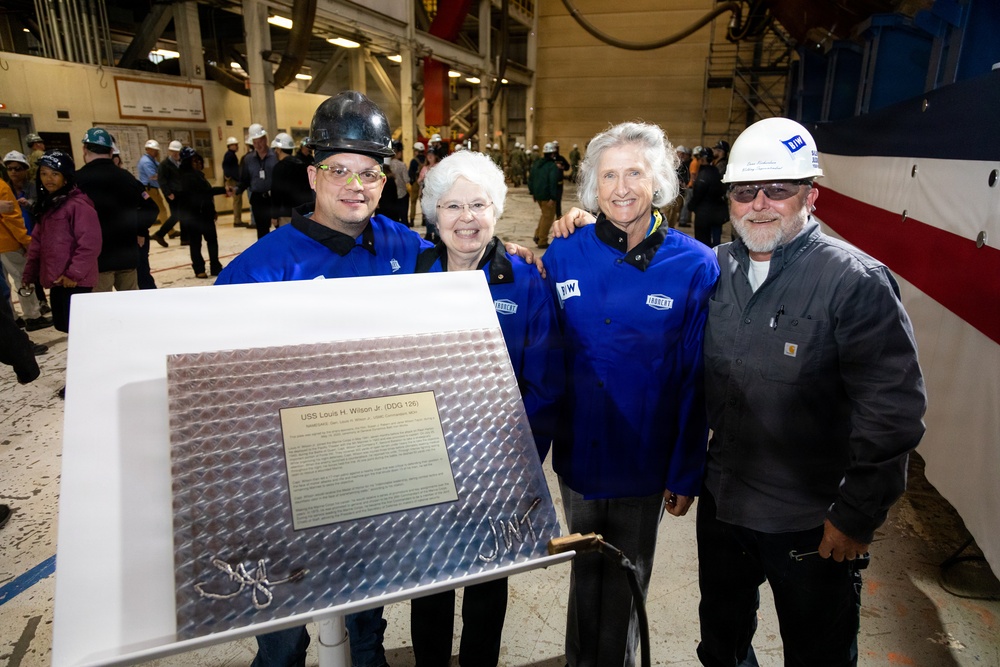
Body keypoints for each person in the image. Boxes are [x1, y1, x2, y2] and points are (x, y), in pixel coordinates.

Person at [696, 117, 926, 667]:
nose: (760, 204)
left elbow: (893, 414)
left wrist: (856, 516)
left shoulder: (854, 282)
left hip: (811, 524)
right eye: (746, 190)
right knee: (721, 647)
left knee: (817, 654)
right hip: (724, 508)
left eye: (779, 189)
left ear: (810, 195)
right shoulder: (714, 269)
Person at [542, 122, 718, 667]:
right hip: (581, 456)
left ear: (659, 181)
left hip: (646, 458)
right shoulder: (565, 254)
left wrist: (686, 472)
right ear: (593, 187)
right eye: (609, 175)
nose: (621, 187)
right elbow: (542, 353)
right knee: (585, 570)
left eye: (635, 173)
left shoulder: (693, 265)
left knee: (627, 572)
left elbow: (696, 379)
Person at [409, 150, 563, 667]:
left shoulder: (525, 280)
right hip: (424, 461)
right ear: (434, 213)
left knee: (485, 580)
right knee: (429, 580)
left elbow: (544, 385)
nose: (466, 218)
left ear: (496, 210)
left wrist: (516, 462)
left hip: (496, 465)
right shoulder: (412, 272)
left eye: (479, 204)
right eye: (453, 206)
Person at [24, 150, 101, 398]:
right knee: (70, 330)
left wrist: (74, 274)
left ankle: (84, 380)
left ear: (66, 177)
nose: (48, 179)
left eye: (54, 174)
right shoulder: (49, 206)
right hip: (58, 282)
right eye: (44, 174)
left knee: (80, 335)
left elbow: (89, 243)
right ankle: (83, 376)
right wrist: (30, 274)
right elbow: (37, 244)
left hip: (74, 283)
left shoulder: (77, 205)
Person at [75, 128, 157, 293]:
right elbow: (151, 208)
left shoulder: (77, 180)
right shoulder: (127, 178)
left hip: (97, 260)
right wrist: (139, 229)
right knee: (129, 308)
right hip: (127, 256)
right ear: (111, 151)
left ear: (84, 149)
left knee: (101, 310)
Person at [1, 169, 51, 331]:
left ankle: (13, 318)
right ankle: (32, 316)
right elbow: (12, 219)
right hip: (9, 242)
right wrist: (25, 241)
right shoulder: (2, 187)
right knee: (23, 279)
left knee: (5, 285)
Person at [174, 148, 227, 278]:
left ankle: (215, 266)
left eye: (198, 160)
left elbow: (207, 197)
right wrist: (224, 190)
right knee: (196, 243)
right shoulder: (186, 178)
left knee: (211, 241)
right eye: (194, 161)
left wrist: (212, 210)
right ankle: (199, 268)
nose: (198, 163)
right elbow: (205, 193)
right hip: (194, 216)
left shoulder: (199, 176)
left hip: (206, 214)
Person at [231, 123, 278, 239]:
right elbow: (245, 180)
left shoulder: (275, 156)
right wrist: (237, 189)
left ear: (265, 139)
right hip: (258, 199)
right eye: (255, 142)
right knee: (262, 232)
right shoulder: (248, 159)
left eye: (260, 141)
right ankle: (264, 255)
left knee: (280, 229)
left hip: (274, 198)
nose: (258, 145)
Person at [270, 132, 313, 228]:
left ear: (278, 149)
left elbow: (276, 193)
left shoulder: (279, 167)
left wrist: (274, 215)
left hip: (286, 215)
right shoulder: (302, 165)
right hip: (303, 213)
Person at [688, 147, 727, 247]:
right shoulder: (715, 172)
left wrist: (691, 205)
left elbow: (699, 193)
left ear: (702, 159)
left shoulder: (704, 174)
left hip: (704, 214)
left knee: (702, 241)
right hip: (714, 212)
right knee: (712, 240)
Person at [151, 140, 186, 245]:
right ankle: (160, 234)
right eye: (173, 151)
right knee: (177, 216)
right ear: (169, 151)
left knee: (183, 215)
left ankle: (184, 239)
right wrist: (168, 193)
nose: (176, 154)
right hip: (172, 194)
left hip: (182, 193)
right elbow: (162, 180)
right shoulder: (164, 164)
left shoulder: (182, 163)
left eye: (177, 151)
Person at [527, 142, 559, 248]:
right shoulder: (551, 166)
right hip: (547, 196)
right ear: (552, 153)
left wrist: (533, 192)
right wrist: (553, 197)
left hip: (539, 195)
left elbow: (530, 179)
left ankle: (538, 235)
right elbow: (553, 182)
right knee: (548, 217)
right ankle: (542, 240)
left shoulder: (537, 164)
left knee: (544, 216)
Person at [376, 140, 409, 225]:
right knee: (403, 219)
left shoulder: (379, 172)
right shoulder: (401, 165)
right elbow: (406, 180)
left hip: (383, 203)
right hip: (400, 195)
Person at [417, 148, 441, 242]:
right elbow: (419, 180)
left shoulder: (439, 166)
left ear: (435, 156)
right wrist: (422, 178)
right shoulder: (425, 168)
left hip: (436, 194)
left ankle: (436, 234)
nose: (430, 157)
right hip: (426, 194)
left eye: (432, 155)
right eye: (428, 155)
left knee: (436, 214)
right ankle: (429, 233)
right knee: (427, 214)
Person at [221, 136, 245, 228]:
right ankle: (237, 220)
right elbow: (226, 167)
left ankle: (238, 219)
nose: (237, 146)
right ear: (230, 145)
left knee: (237, 200)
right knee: (237, 200)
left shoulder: (231, 155)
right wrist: (229, 177)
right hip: (233, 180)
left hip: (234, 179)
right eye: (235, 145)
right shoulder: (229, 155)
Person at [664, 145, 690, 229]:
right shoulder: (669, 163)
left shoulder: (684, 165)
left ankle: (671, 227)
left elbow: (686, 176)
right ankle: (665, 226)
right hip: (670, 192)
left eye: (683, 154)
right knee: (667, 210)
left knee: (676, 211)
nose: (681, 155)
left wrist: (683, 183)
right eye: (680, 153)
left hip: (679, 192)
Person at [407, 141, 426, 226]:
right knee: (424, 202)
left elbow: (410, 173)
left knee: (413, 202)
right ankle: (424, 220)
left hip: (415, 183)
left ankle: (412, 220)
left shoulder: (414, 161)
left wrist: (412, 182)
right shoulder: (427, 159)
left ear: (417, 151)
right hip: (425, 184)